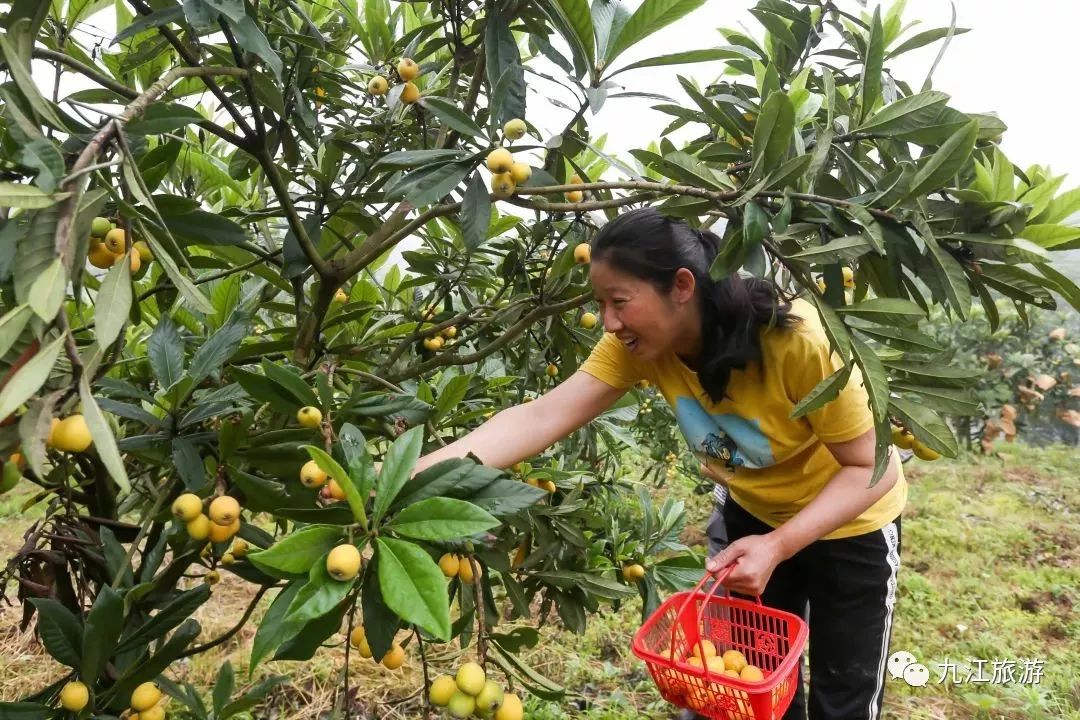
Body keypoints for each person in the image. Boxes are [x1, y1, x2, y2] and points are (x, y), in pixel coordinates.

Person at [411, 207, 907, 720]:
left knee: (844, 696)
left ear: (683, 285)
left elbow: (874, 469)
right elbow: (540, 417)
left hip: (850, 525)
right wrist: (406, 476)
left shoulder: (798, 342)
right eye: (601, 304)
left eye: (620, 302)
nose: (609, 321)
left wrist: (780, 546)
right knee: (753, 693)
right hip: (753, 516)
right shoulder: (640, 346)